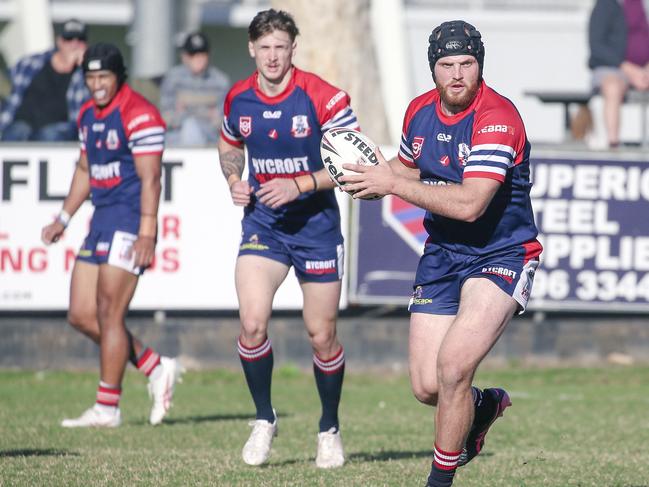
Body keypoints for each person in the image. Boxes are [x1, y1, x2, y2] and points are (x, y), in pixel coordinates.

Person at [339, 21, 543, 486]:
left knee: (453, 369)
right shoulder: (419, 111)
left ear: (480, 66)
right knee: (428, 387)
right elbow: (403, 167)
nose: (456, 75)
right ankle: (484, 406)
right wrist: (366, 176)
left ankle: (438, 481)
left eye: (466, 64)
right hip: (443, 253)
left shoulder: (498, 117)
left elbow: (472, 204)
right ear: (432, 68)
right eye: (446, 65)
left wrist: (392, 185)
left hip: (502, 253)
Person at [218, 9, 359, 469]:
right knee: (252, 322)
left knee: (322, 335)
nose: (273, 56)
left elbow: (352, 164)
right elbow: (229, 145)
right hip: (265, 226)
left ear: (293, 48)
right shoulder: (238, 98)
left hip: (316, 228)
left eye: (281, 47)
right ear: (252, 49)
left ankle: (329, 428)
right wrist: (234, 178)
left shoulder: (324, 97)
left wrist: (299, 184)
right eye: (265, 47)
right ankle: (264, 419)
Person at [41, 43, 182, 428]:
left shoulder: (140, 114)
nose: (97, 85)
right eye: (90, 77)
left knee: (109, 312)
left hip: (130, 219)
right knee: (82, 314)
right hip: (100, 219)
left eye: (103, 76)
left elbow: (152, 178)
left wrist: (148, 232)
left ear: (119, 76)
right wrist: (63, 218)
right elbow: (85, 169)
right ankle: (156, 366)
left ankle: (108, 407)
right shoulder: (87, 113)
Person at [0, 18, 90, 141]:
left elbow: (91, 110)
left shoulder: (87, 73)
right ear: (59, 41)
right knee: (18, 131)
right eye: (69, 39)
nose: (74, 44)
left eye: (80, 40)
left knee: (50, 135)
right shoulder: (30, 63)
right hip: (21, 128)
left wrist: (85, 68)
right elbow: (6, 87)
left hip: (57, 134)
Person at [589, 0, 649, 148]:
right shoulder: (606, 4)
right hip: (613, 67)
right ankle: (613, 144)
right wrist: (629, 69)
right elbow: (596, 45)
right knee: (612, 86)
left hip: (644, 69)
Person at [159, 31, 230, 146]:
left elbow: (225, 122)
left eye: (202, 54)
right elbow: (164, 117)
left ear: (209, 55)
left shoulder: (220, 81)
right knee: (189, 127)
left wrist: (185, 110)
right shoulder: (173, 78)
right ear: (184, 56)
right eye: (193, 54)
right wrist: (205, 113)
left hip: (210, 143)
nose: (198, 58)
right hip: (175, 143)